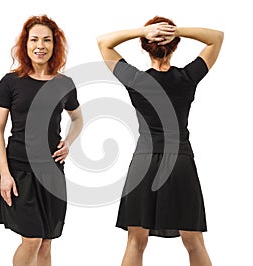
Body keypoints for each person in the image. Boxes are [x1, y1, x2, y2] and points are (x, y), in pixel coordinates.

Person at [97, 16, 223, 266]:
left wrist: (144, 31)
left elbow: (104, 43)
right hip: (180, 163)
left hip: (144, 164)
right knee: (194, 241)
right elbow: (216, 37)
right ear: (175, 45)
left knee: (136, 241)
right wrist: (176, 31)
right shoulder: (187, 77)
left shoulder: (136, 79)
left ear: (146, 45)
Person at [0, 15, 83, 266]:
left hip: (52, 172)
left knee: (46, 241)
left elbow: (78, 119)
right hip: (19, 171)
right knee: (31, 240)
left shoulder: (64, 84)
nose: (40, 45)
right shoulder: (10, 82)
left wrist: (69, 142)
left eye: (47, 40)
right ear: (25, 44)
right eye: (34, 40)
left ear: (55, 45)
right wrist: (4, 174)